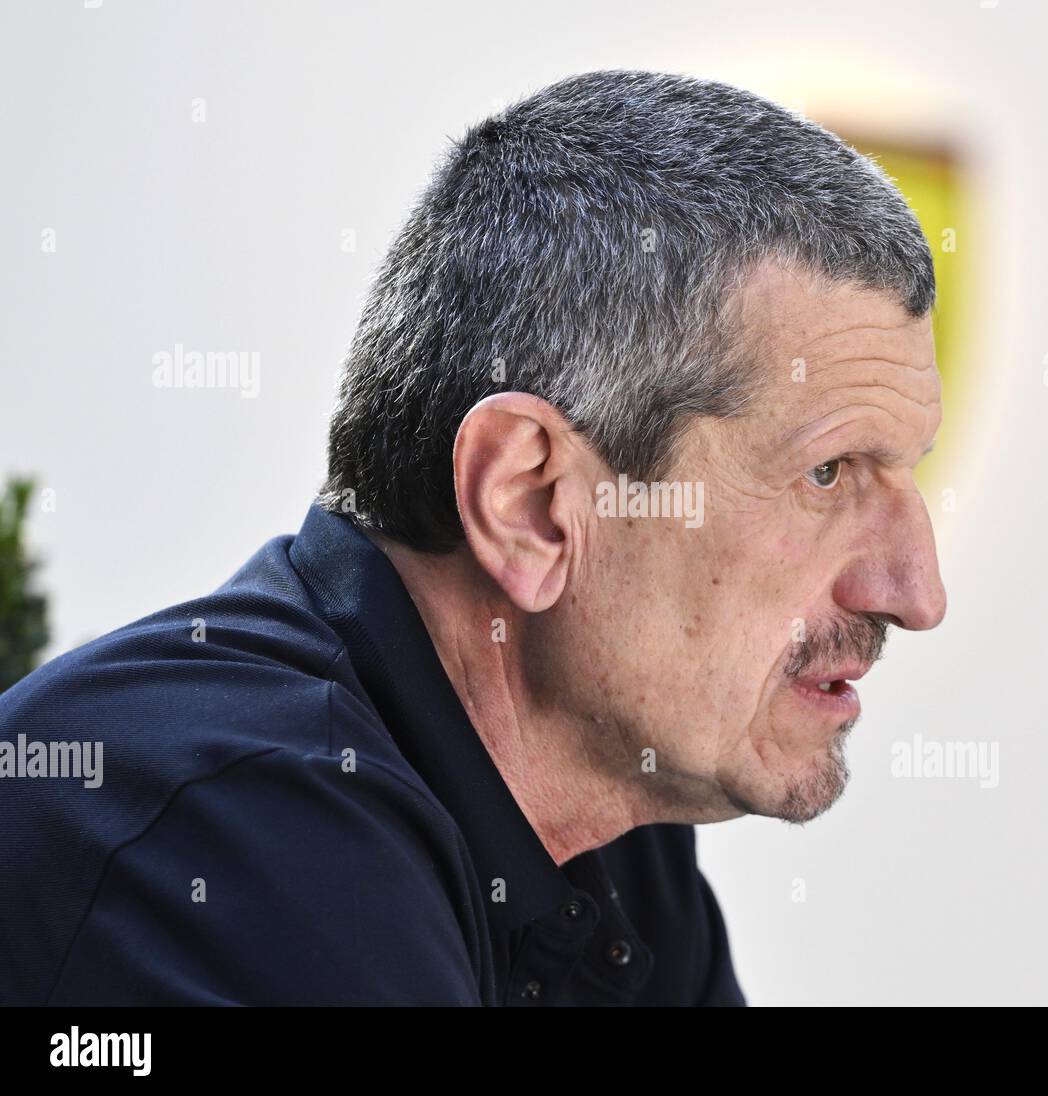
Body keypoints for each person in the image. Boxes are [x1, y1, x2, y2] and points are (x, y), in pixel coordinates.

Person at [0, 69, 945, 1006]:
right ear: (528, 504)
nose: (917, 594)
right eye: (828, 473)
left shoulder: (620, 840)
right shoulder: (235, 832)